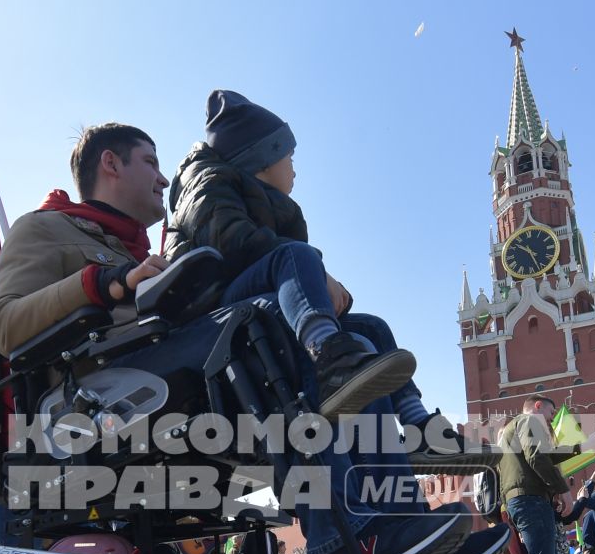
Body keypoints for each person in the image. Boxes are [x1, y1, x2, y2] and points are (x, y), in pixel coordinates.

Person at [0, 121, 463, 554]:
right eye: (149, 162)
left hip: (178, 381)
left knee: (359, 335)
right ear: (110, 164)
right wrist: (105, 282)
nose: (163, 180)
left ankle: (399, 522)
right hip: (104, 402)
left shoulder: (146, 250)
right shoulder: (44, 227)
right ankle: (337, 542)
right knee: (267, 325)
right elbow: (4, 325)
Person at [168, 92, 418, 419]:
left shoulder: (271, 206)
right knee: (295, 255)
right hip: (215, 307)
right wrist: (311, 269)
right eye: (289, 156)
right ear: (263, 160)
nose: (295, 168)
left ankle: (417, 421)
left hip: (254, 295)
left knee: (372, 328)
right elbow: (235, 245)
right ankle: (329, 356)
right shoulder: (208, 185)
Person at [495, 396, 577, 554]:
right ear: (539, 406)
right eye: (551, 414)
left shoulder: (512, 430)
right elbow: (537, 457)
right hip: (529, 499)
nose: (552, 420)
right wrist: (563, 490)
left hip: (525, 498)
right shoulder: (529, 420)